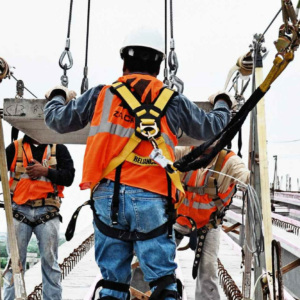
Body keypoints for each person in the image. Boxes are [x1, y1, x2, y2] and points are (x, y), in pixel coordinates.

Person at [44, 27, 233, 300]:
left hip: (107, 197)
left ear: (124, 62)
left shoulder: (102, 94)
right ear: (158, 65)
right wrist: (222, 103)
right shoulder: (172, 101)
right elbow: (212, 127)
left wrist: (58, 95)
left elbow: (58, 120)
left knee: (113, 284)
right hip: (152, 195)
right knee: (163, 282)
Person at [2, 134, 75, 300]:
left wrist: (46, 171)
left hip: (47, 212)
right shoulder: (15, 148)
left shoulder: (58, 149)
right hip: (19, 210)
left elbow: (69, 177)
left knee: (50, 264)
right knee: (15, 264)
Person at [174, 146, 250, 300]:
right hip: (178, 220)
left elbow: (245, 177)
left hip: (208, 225)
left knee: (208, 268)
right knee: (158, 260)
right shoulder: (184, 152)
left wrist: (256, 172)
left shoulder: (229, 162)